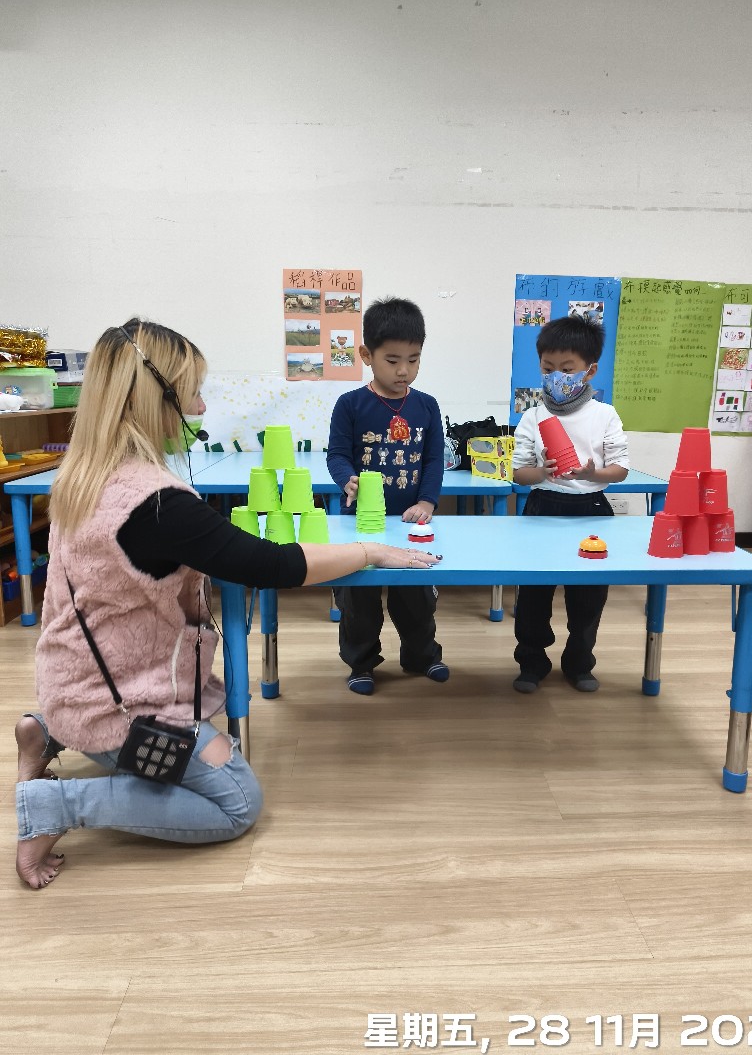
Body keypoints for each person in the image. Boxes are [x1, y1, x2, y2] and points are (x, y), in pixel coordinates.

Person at [14, 317, 441, 890]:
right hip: (122, 709)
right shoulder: (158, 505)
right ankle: (54, 806)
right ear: (151, 400)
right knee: (237, 802)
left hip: (75, 682)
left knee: (207, 752)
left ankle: (47, 730)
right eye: (191, 393)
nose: (199, 409)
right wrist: (368, 551)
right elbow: (272, 565)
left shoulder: (82, 476)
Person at [327, 297, 448, 696]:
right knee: (359, 600)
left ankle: (422, 656)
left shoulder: (427, 406)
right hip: (361, 524)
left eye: (413, 360)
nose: (403, 370)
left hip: (410, 524)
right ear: (367, 355)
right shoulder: (350, 404)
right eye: (392, 360)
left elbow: (433, 460)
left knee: (417, 599)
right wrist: (346, 479)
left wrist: (427, 502)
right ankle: (361, 663)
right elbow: (337, 454)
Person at [511, 315, 629, 695]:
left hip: (591, 510)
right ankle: (532, 662)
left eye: (566, 369)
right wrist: (541, 471)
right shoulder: (534, 415)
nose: (555, 377)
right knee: (533, 595)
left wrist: (595, 473)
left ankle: (579, 663)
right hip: (543, 508)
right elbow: (519, 473)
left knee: (588, 597)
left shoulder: (604, 414)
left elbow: (620, 469)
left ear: (589, 370)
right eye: (548, 369)